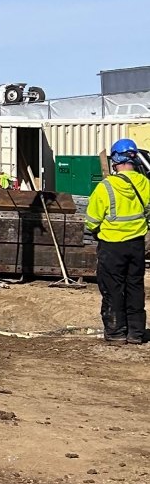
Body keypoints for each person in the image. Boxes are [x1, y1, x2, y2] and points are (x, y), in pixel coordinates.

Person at [85, 138, 149, 345]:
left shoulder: (106, 187)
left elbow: (92, 220)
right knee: (135, 286)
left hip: (112, 246)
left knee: (113, 288)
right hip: (137, 244)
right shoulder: (145, 184)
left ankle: (115, 332)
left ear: (115, 160)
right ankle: (136, 333)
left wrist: (96, 231)